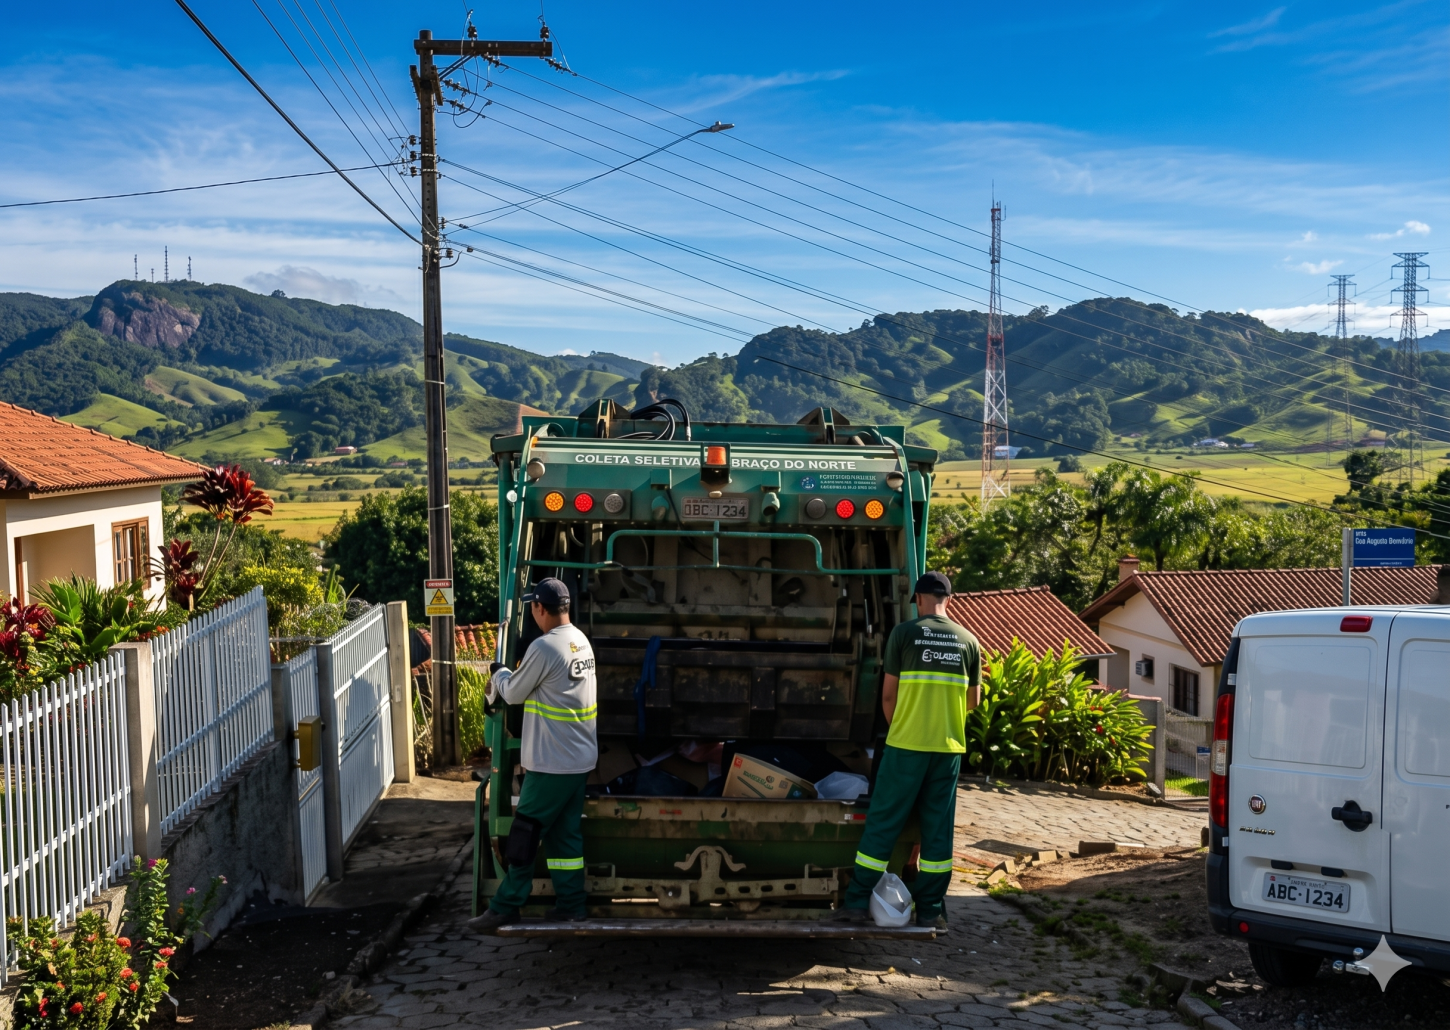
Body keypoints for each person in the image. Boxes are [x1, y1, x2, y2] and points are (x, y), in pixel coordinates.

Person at [827, 570, 981, 929]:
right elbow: (972, 701)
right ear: (950, 600)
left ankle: (855, 903)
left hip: (906, 746)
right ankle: (930, 910)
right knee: (937, 831)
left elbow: (888, 696)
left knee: (883, 822)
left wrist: (904, 725)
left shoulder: (905, 634)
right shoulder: (969, 641)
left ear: (917, 599)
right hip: (947, 750)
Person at [467, 577, 597, 933]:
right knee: (564, 837)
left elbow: (513, 694)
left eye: (533, 608)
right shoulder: (580, 642)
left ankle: (505, 906)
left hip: (553, 761)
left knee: (524, 832)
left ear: (540, 608)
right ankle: (571, 905)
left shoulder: (545, 647)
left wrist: (501, 672)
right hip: (580, 759)